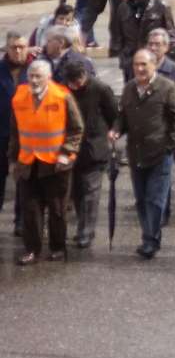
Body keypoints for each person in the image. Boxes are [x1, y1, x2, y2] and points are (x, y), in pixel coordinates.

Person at [109, 48, 175, 259]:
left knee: (155, 199)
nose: (139, 68)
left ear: (154, 65)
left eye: (144, 64)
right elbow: (122, 115)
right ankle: (149, 234)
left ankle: (151, 239)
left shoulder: (166, 88)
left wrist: (169, 145)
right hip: (136, 154)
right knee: (141, 199)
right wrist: (117, 129)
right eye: (136, 64)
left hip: (159, 155)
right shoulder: (129, 89)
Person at [9, 59, 84, 264]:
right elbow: (15, 133)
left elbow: (76, 129)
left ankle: (58, 248)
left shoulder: (62, 96)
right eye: (31, 75)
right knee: (30, 210)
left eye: (38, 76)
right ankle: (32, 250)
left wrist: (66, 152)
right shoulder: (19, 96)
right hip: (28, 163)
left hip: (56, 163)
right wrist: (12, 160)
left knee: (57, 209)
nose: (33, 80)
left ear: (48, 78)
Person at [64, 58, 116, 248]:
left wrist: (112, 135)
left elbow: (114, 116)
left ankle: (86, 231)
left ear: (85, 76)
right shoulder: (64, 89)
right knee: (77, 193)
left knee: (90, 194)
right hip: (72, 151)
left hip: (95, 151)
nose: (75, 86)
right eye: (71, 83)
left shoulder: (100, 89)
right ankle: (82, 226)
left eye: (78, 82)